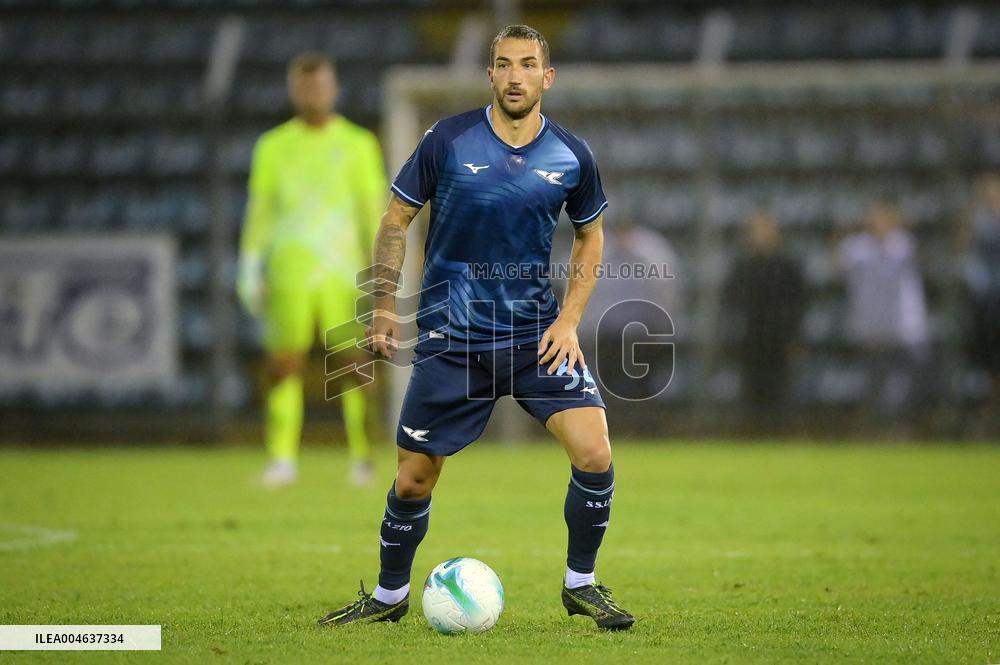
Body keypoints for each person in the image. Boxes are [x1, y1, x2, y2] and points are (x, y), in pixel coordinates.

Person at [317, 25, 634, 631]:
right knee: (413, 478)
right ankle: (388, 598)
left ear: (548, 76)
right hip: (452, 337)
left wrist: (569, 321)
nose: (515, 76)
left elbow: (591, 235)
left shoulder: (572, 154)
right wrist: (384, 304)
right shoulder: (447, 138)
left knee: (594, 452)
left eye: (527, 65)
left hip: (535, 334)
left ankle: (582, 584)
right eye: (504, 64)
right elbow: (395, 218)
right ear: (489, 74)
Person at [237, 53, 388, 488]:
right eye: (305, 87)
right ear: (294, 91)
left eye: (320, 86)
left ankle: (363, 459)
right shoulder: (272, 146)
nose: (314, 94)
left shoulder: (359, 144)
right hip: (290, 271)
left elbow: (372, 213)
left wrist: (380, 272)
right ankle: (282, 459)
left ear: (334, 89)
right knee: (284, 364)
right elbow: (260, 211)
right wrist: (249, 265)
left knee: (355, 365)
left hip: (344, 272)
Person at [837, 201, 929, 429]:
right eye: (874, 217)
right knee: (872, 381)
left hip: (902, 327)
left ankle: (901, 425)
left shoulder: (904, 244)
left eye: (882, 217)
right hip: (870, 326)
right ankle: (874, 426)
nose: (877, 222)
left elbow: (919, 269)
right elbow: (838, 268)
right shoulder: (857, 247)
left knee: (903, 381)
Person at [724, 211, 805, 434]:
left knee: (780, 391)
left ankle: (781, 432)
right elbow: (731, 302)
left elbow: (798, 303)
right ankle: (752, 433)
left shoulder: (788, 265)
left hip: (780, 339)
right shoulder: (743, 266)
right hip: (751, 339)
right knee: (751, 391)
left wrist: (795, 337)